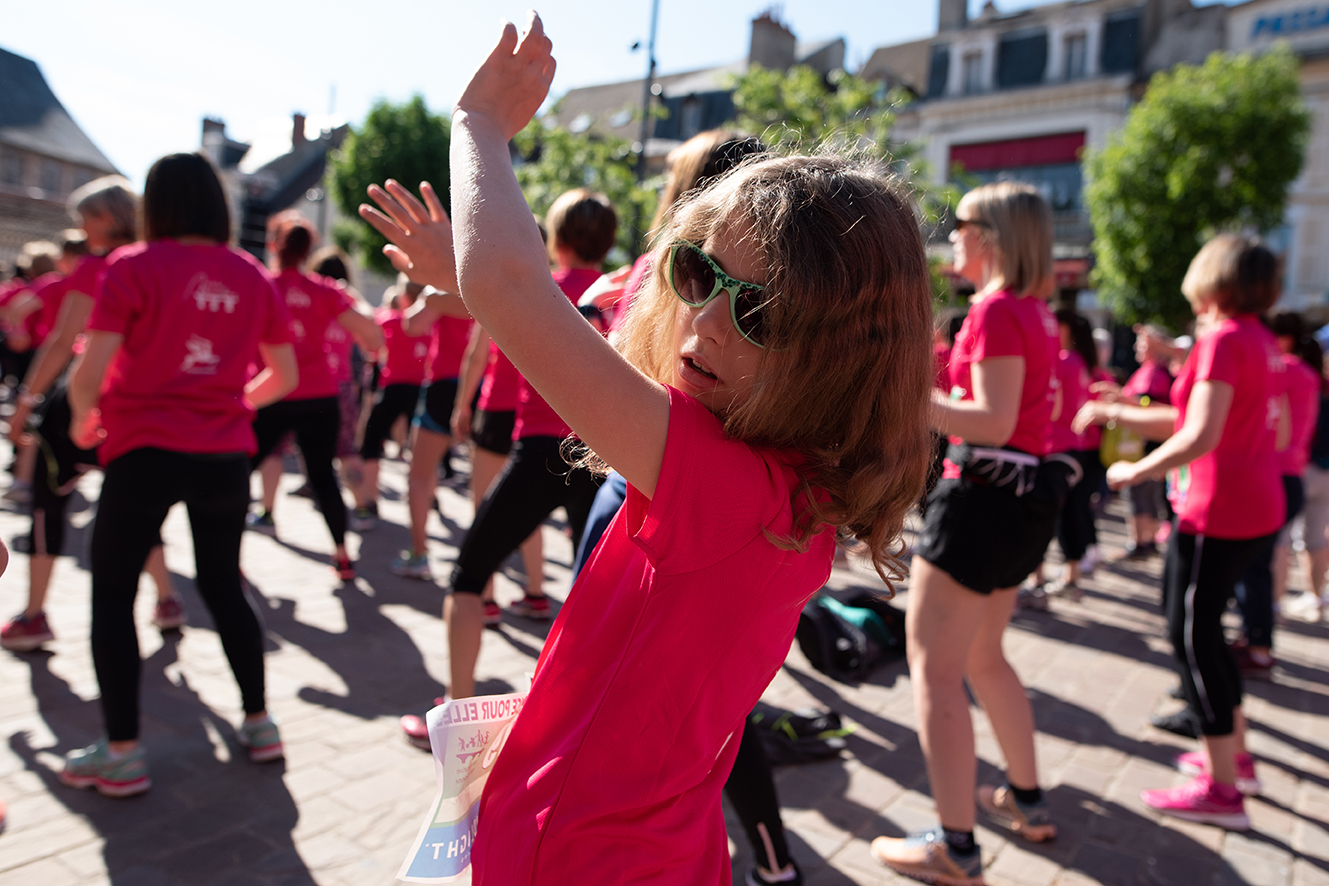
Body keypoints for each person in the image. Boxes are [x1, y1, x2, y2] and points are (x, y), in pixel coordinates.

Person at [357, 14, 932, 883]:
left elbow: (514, 288)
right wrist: (480, 284)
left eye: (760, 311)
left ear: (842, 357)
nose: (705, 323)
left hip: (573, 853)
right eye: (698, 274)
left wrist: (478, 126)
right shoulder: (776, 477)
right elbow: (573, 339)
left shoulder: (727, 487)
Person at [59, 152, 299, 796]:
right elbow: (285, 375)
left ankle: (122, 752)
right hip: (222, 454)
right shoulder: (250, 273)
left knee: (113, 593)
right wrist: (227, 402)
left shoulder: (133, 266)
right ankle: (259, 723)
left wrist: (82, 418)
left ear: (155, 205)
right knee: (223, 585)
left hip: (143, 448)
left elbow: (90, 370)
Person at [871, 182, 1061, 886]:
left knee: (935, 669)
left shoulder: (996, 309)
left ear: (991, 235)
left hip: (982, 499)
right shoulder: (1035, 313)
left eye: (962, 223)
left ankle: (955, 846)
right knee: (984, 657)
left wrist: (905, 396)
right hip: (1022, 501)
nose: (952, 234)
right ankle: (1026, 800)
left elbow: (992, 421)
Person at [1078, 234, 1284, 829]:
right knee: (1206, 637)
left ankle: (1223, 789)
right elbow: (1195, 419)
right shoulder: (1258, 339)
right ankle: (1234, 760)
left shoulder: (1222, 339)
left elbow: (1199, 434)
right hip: (1250, 505)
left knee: (1195, 640)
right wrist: (1119, 411)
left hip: (1217, 511)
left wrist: (1133, 471)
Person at [0, 178, 187, 652]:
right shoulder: (159, 264)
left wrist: (26, 403)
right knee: (134, 506)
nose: (80, 229)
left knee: (48, 502)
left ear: (106, 219)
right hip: (137, 408)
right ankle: (167, 598)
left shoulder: (100, 267)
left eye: (84, 219)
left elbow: (63, 343)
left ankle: (34, 613)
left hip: (83, 404)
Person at [245, 211, 382, 579]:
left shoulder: (260, 285)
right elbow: (372, 334)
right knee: (323, 477)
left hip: (271, 392)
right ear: (309, 251)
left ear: (272, 245)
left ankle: (236, 553)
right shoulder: (324, 290)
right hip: (320, 396)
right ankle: (342, 555)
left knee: (241, 471)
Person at [1231, 311, 1318, 676]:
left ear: (1283, 339)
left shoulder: (1283, 369)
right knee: (1257, 564)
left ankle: (1259, 648)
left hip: (1273, 474)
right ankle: (1255, 640)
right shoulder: (1305, 372)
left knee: (1254, 566)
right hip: (1288, 475)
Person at [350, 275, 430, 529]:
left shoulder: (391, 319)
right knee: (427, 449)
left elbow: (366, 331)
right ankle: (430, 496)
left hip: (394, 388)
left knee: (371, 442)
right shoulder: (433, 323)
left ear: (404, 297)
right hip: (422, 390)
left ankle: (371, 500)